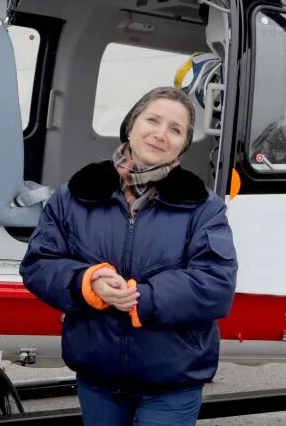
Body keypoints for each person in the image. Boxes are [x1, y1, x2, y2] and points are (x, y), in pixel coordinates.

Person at [20, 87, 237, 425]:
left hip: (173, 383)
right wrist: (88, 282)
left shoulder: (204, 207)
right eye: (153, 120)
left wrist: (141, 298)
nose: (161, 134)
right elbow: (38, 264)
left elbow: (216, 285)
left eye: (175, 130)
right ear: (131, 124)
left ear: (182, 145)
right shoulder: (74, 195)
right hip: (98, 380)